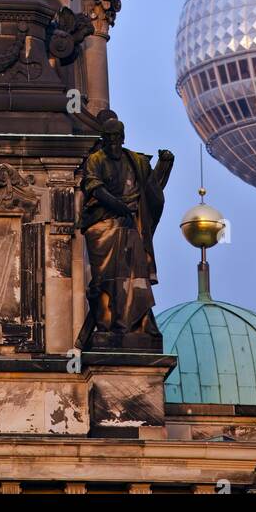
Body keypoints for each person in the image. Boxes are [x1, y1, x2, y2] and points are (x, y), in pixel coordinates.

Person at [79, 111, 173, 341]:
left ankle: (133, 323)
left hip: (129, 225)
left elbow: (150, 191)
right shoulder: (96, 159)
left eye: (116, 137)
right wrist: (119, 206)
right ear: (103, 139)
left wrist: (164, 166)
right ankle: (108, 322)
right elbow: (95, 189)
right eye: (108, 138)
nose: (113, 142)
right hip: (102, 227)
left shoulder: (136, 161)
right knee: (103, 279)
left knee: (134, 275)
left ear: (123, 137)